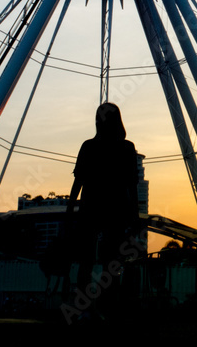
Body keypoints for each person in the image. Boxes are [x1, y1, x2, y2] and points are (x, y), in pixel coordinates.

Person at [66, 102, 140, 297]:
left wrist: (70, 208)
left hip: (90, 208)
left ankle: (83, 304)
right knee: (112, 259)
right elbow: (132, 186)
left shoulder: (89, 146)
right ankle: (110, 302)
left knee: (86, 259)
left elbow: (78, 181)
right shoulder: (127, 148)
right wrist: (135, 215)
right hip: (116, 210)